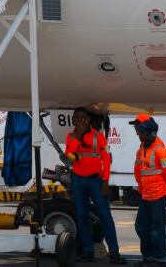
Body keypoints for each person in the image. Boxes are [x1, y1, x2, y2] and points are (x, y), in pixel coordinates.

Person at [63, 108, 125, 263]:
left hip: (95, 180)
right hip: (78, 180)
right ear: (73, 120)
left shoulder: (98, 137)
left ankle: (114, 252)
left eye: (83, 118)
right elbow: (69, 159)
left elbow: (106, 160)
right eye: (77, 118)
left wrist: (105, 181)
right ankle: (88, 251)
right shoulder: (70, 137)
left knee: (105, 216)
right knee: (82, 216)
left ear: (89, 120)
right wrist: (78, 137)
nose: (80, 120)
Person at [130, 114, 166, 266]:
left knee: (156, 228)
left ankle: (158, 257)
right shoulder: (142, 148)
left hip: (157, 195)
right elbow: (139, 169)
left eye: (139, 131)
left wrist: (155, 185)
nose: (137, 134)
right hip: (146, 194)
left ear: (149, 132)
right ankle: (148, 256)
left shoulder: (159, 149)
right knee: (141, 226)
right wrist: (140, 188)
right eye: (137, 131)